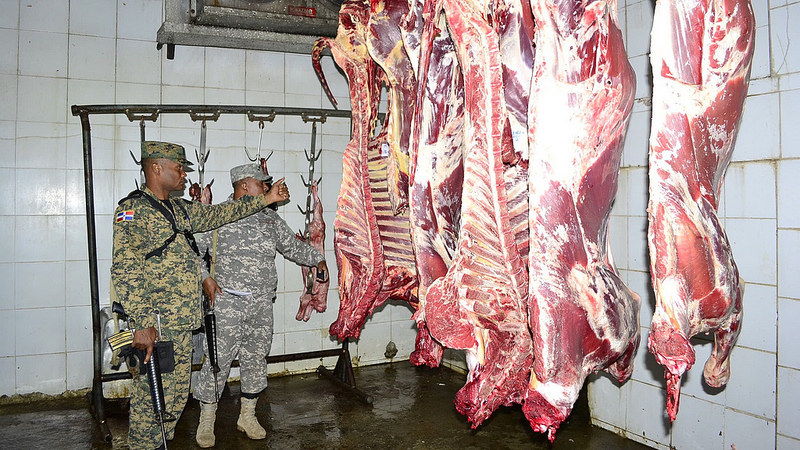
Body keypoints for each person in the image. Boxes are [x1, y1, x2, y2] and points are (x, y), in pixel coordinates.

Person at [111, 142, 290, 450]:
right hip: (156, 326)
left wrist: (265, 199)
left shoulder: (178, 209)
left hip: (181, 324)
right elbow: (125, 270)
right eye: (178, 168)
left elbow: (222, 213)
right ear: (156, 168)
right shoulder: (132, 211)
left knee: (175, 397)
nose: (183, 174)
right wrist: (141, 324)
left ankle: (161, 442)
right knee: (149, 401)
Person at [193, 163, 328, 448]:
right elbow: (192, 253)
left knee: (256, 360)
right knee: (217, 363)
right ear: (244, 185)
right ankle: (207, 420)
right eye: (261, 183)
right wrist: (205, 278)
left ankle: (248, 416)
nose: (266, 187)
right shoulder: (218, 215)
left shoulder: (269, 219)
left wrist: (318, 258)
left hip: (261, 305)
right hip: (226, 303)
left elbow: (293, 246)